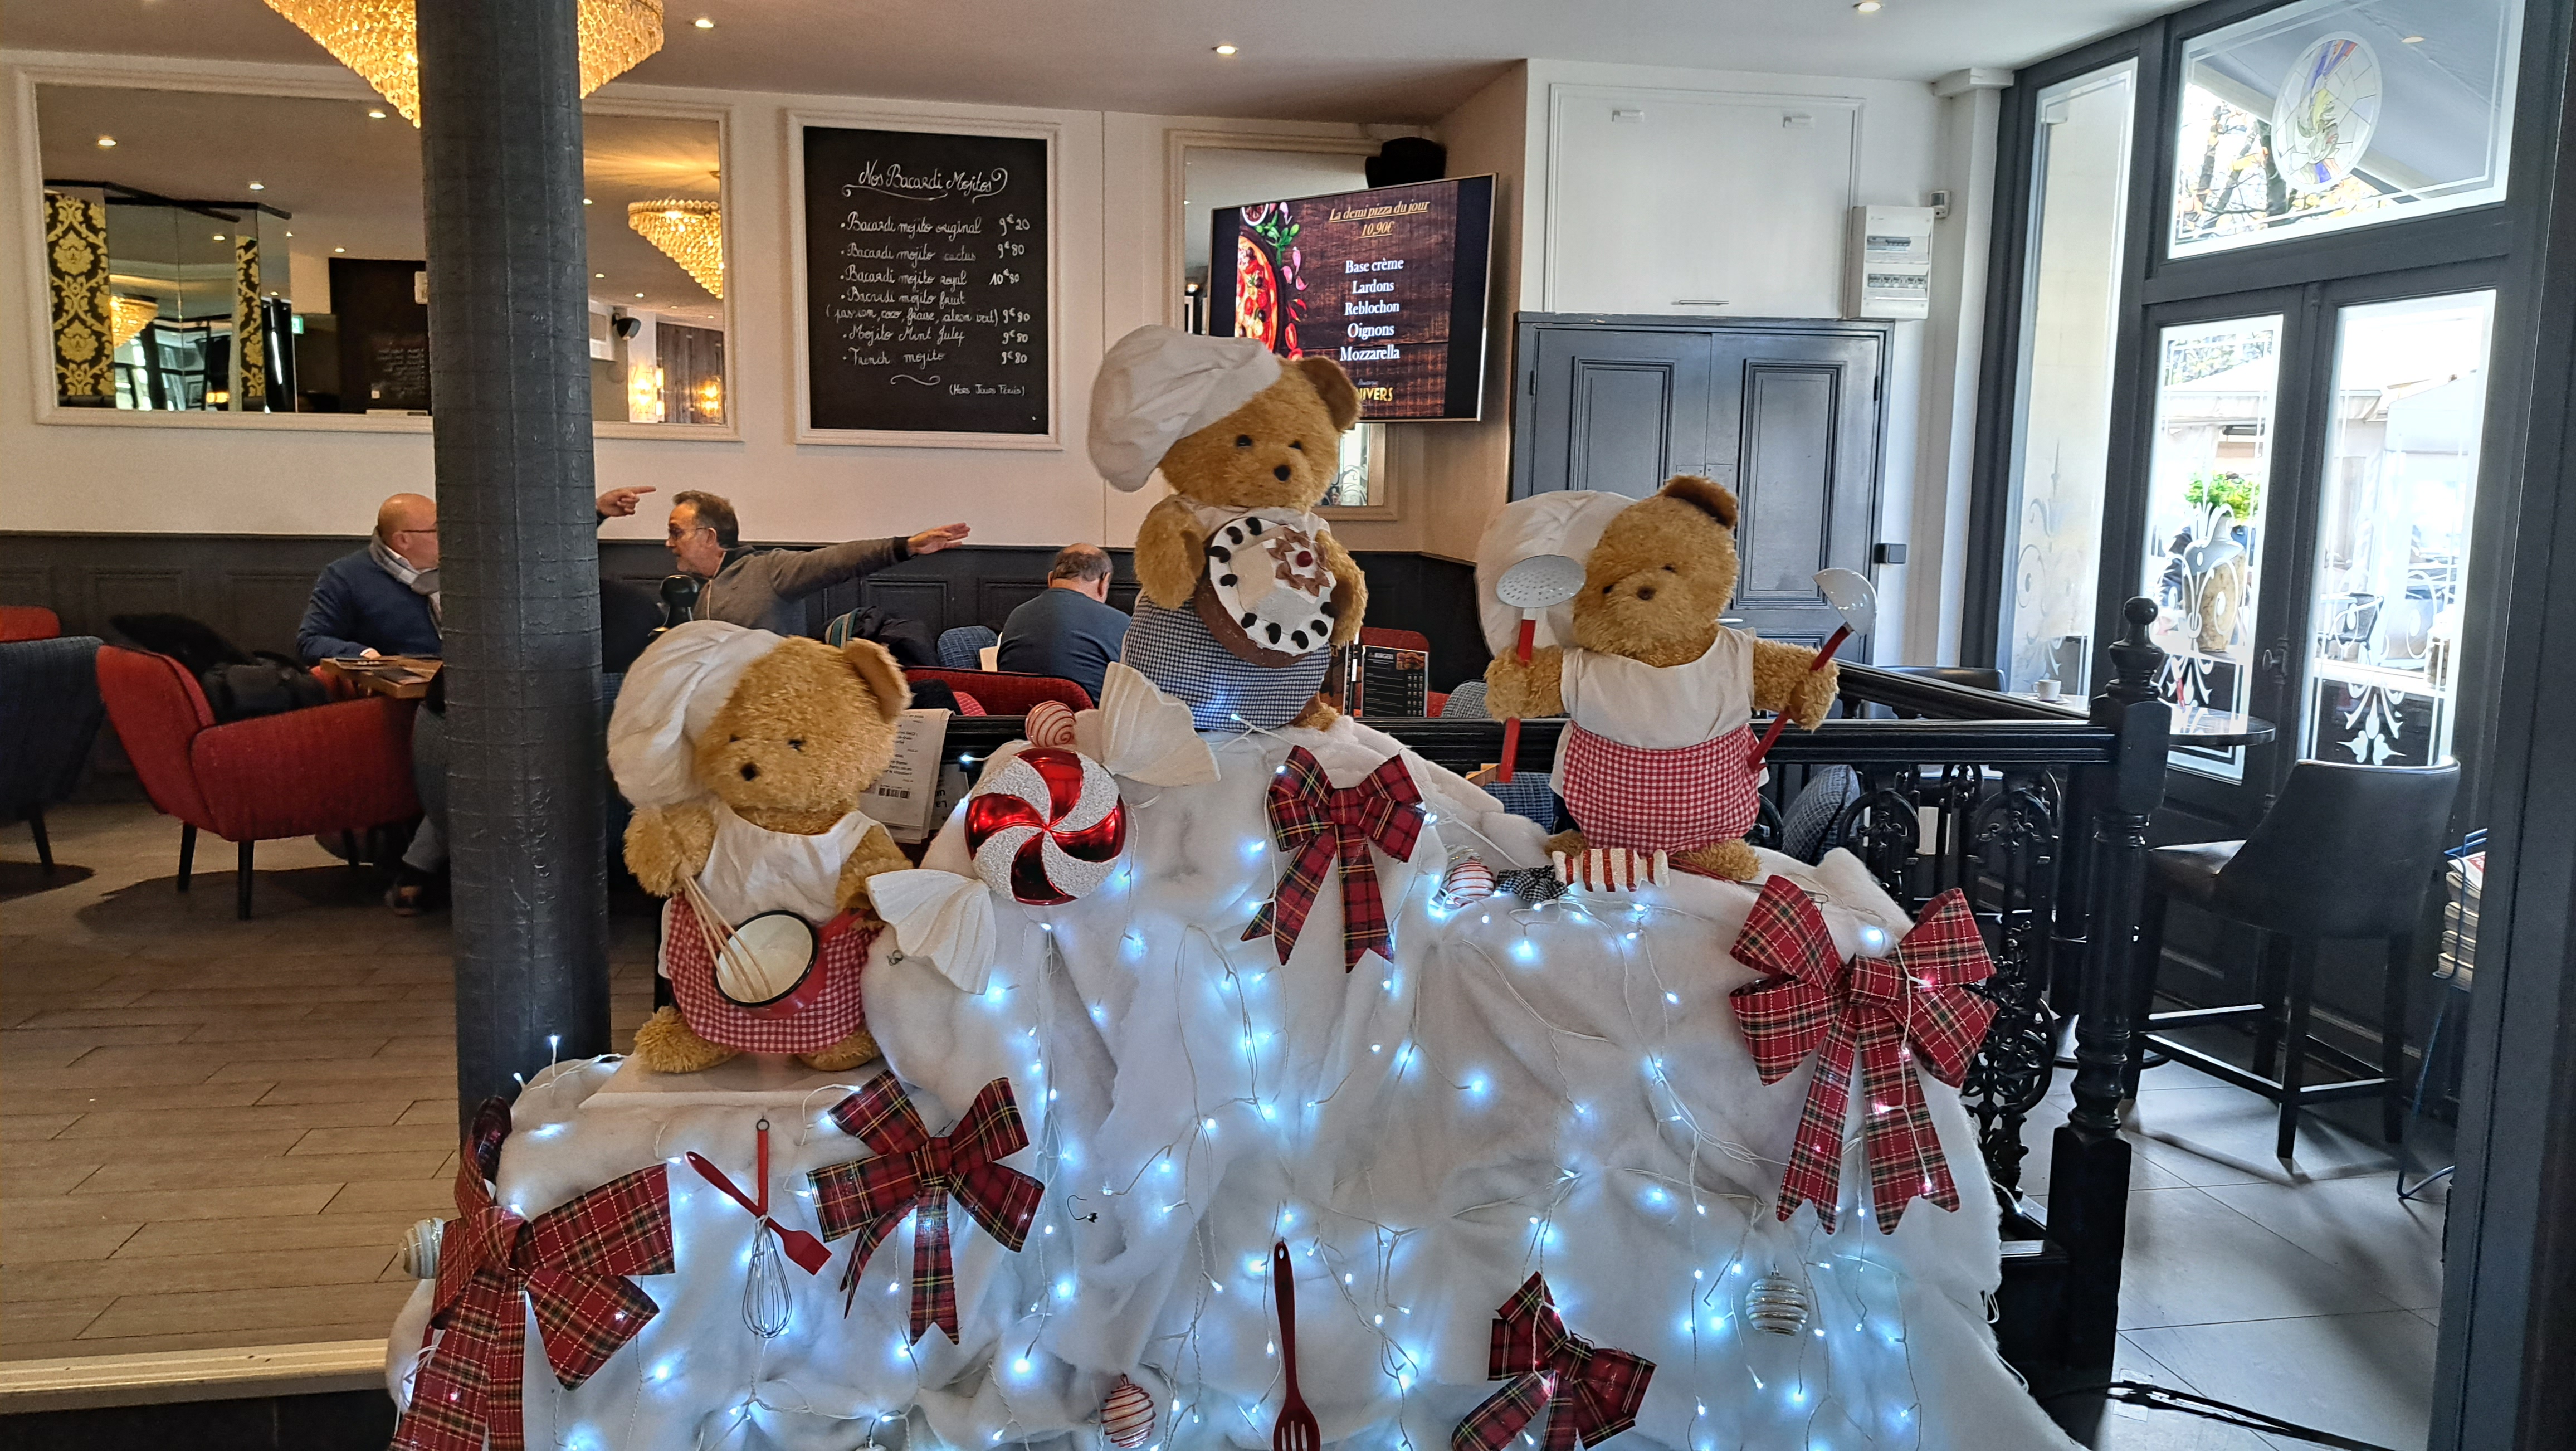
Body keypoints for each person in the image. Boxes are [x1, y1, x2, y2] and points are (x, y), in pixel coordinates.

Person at [298, 485, 662, 664]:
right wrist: (365, 655)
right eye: (438, 530)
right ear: (403, 540)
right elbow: (311, 640)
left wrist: (596, 511)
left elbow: (537, 549)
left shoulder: (468, 561)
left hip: (482, 681)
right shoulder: (347, 576)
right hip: (406, 697)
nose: (451, 537)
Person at [664, 490, 970, 635]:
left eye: (676, 533)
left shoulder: (769, 571)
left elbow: (838, 561)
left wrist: (906, 547)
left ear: (709, 536)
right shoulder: (693, 593)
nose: (669, 543)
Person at [997, 543, 1128, 700]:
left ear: (1050, 579)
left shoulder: (1017, 615)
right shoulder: (1119, 622)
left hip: (1016, 714)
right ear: (1104, 582)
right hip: (1088, 715)